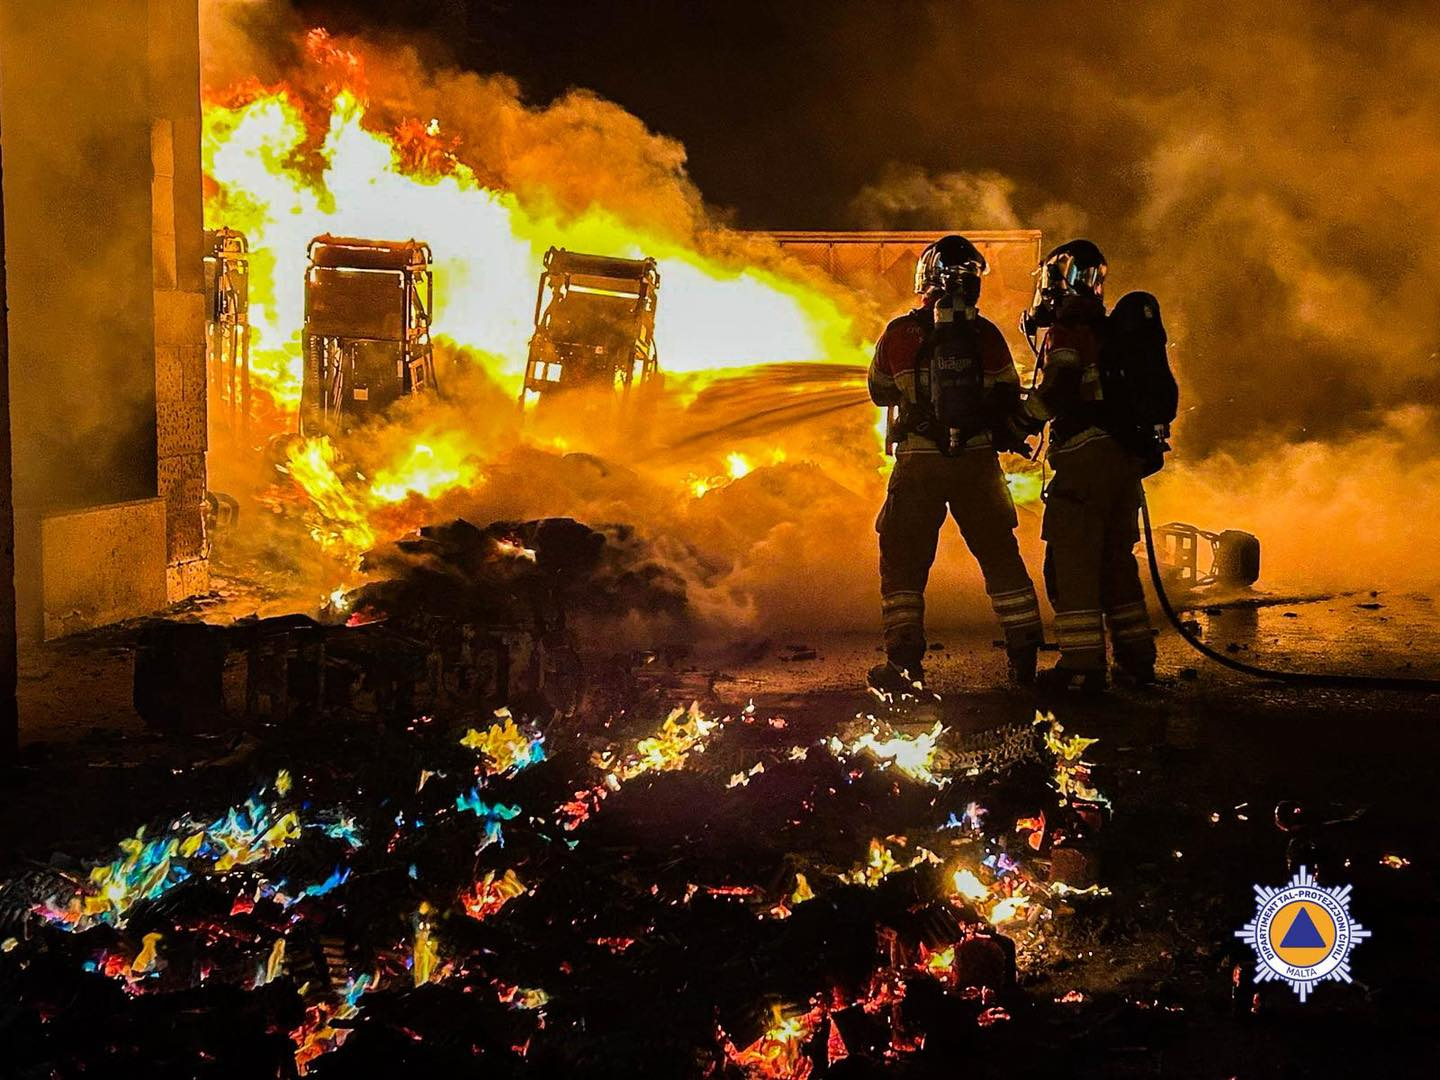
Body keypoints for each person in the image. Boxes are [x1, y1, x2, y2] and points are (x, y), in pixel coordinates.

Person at [867, 235, 1045, 693]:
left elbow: (879, 391)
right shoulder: (987, 335)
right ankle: (1024, 653)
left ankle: (904, 663)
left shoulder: (899, 333)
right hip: (977, 464)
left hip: (918, 464)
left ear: (926, 278)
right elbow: (1008, 391)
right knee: (1000, 556)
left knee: (903, 561)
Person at [1019, 239, 1178, 692]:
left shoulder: (1067, 331)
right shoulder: (1112, 332)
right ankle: (1136, 660)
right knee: (1116, 567)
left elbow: (1057, 390)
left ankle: (1082, 666)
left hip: (1085, 464)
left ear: (1055, 283)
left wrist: (1015, 423)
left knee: (1071, 565)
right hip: (1123, 463)